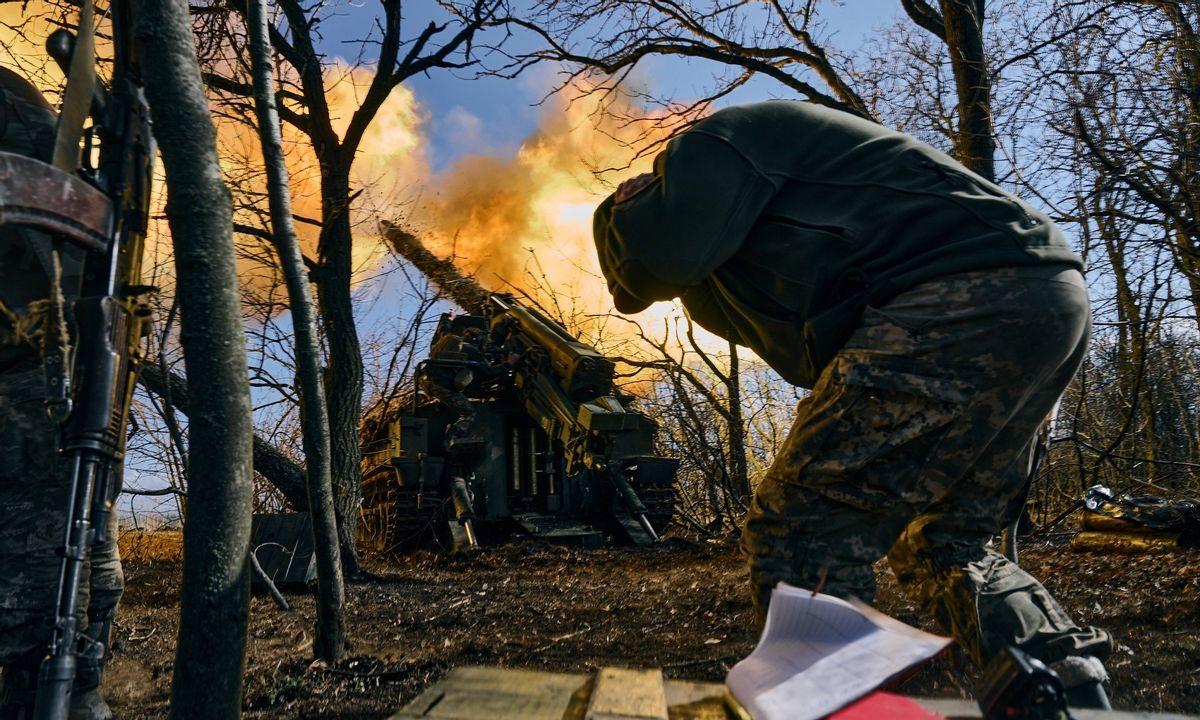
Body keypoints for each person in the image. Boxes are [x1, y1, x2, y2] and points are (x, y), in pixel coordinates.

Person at [592, 101, 1113, 707]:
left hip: (959, 294)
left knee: (805, 523)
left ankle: (834, 703)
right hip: (1043, 297)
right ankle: (1068, 693)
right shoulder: (767, 210)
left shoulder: (713, 144)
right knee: (943, 540)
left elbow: (657, 262)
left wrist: (618, 212)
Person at [0, 66, 120, 720]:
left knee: (62, 635)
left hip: (42, 403)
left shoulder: (10, 100)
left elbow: (67, 250)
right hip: (40, 401)